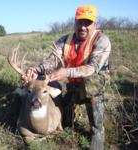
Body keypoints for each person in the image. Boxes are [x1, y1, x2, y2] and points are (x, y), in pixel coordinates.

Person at [22, 5, 111, 150]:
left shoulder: (101, 40)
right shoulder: (65, 41)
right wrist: (35, 70)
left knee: (92, 87)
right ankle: (68, 122)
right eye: (79, 22)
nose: (83, 27)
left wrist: (67, 72)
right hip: (74, 85)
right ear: (75, 22)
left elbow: (92, 68)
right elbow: (51, 62)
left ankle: (97, 132)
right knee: (65, 118)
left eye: (87, 23)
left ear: (94, 24)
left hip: (95, 85)